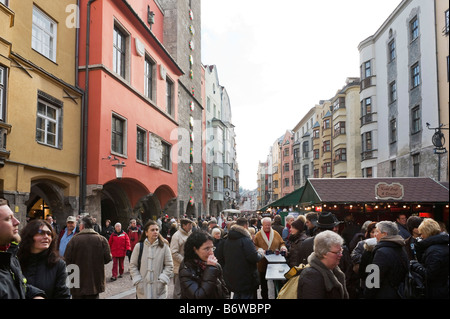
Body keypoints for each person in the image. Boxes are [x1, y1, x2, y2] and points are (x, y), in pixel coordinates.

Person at [0, 198, 46, 299]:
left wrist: (36, 295)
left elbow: (19, 286)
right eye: (8, 219)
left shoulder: (10, 255)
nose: (17, 222)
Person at [17, 219, 70, 299]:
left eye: (49, 234)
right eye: (40, 233)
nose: (46, 237)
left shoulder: (59, 264)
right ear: (29, 236)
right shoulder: (16, 261)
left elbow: (63, 295)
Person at [64, 215, 112, 299]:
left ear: (82, 226)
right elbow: (108, 258)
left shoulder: (74, 240)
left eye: (79, 225)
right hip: (94, 280)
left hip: (76, 281)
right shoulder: (102, 240)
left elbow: (67, 259)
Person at [217, 217, 263, 299]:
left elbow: (220, 257)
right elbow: (253, 257)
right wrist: (261, 253)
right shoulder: (245, 240)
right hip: (246, 276)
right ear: (245, 226)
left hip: (232, 275)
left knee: (237, 294)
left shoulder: (227, 239)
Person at [362, 221, 408, 299]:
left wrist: (367, 294)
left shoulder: (382, 252)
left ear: (385, 234)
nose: (375, 234)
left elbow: (374, 280)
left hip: (385, 293)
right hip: (399, 293)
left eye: (377, 231)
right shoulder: (400, 247)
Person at [297, 230, 348, 299]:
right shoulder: (312, 276)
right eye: (337, 252)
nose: (341, 255)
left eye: (341, 250)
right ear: (324, 253)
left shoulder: (333, 270)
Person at [129, 220, 173, 299]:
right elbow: (133, 265)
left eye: (156, 230)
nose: (155, 232)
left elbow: (169, 265)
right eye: (152, 230)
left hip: (159, 289)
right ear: (146, 233)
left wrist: (162, 280)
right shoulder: (139, 247)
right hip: (143, 289)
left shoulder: (164, 246)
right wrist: (138, 281)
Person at [179, 231, 229, 299]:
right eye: (207, 249)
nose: (211, 252)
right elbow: (198, 296)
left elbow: (224, 291)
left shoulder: (215, 265)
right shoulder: (186, 269)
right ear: (195, 249)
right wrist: (210, 269)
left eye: (212, 248)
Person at [413, 218, 449, 299]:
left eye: (422, 233)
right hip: (442, 288)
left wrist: (415, 265)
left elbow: (429, 274)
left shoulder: (434, 250)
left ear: (427, 232)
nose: (421, 236)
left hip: (436, 291)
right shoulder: (442, 244)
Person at [253, 217, 287, 299]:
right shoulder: (258, 235)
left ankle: (277, 296)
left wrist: (283, 247)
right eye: (266, 225)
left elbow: (282, 243)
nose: (268, 227)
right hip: (262, 263)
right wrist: (260, 250)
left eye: (269, 225)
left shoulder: (275, 233)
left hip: (275, 262)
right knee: (264, 285)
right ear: (262, 225)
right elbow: (254, 246)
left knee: (277, 283)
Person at [170, 218, 192, 299]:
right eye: (189, 225)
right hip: (179, 267)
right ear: (184, 225)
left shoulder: (189, 234)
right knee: (178, 291)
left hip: (189, 267)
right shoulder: (176, 236)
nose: (191, 227)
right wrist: (184, 261)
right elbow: (174, 253)